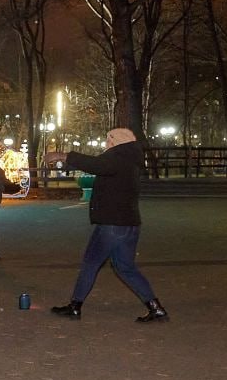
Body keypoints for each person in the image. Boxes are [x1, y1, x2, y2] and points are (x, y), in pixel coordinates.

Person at [44, 128, 169, 323]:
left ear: (115, 141)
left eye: (108, 140)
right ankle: (155, 307)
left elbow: (96, 164)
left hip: (112, 225)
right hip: (129, 224)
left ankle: (75, 306)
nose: (105, 144)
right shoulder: (129, 159)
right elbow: (99, 166)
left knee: (90, 263)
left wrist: (64, 155)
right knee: (125, 268)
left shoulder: (119, 157)